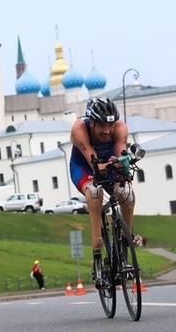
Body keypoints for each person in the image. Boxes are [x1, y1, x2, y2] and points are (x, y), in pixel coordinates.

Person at [69, 97, 136, 288]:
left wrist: (122, 167)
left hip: (109, 164)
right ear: (92, 123)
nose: (107, 131)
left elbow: (121, 155)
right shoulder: (79, 129)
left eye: (110, 125)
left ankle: (125, 244)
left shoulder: (120, 127)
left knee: (127, 194)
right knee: (95, 192)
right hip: (84, 167)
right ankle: (97, 252)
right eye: (101, 126)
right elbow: (94, 163)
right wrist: (114, 164)